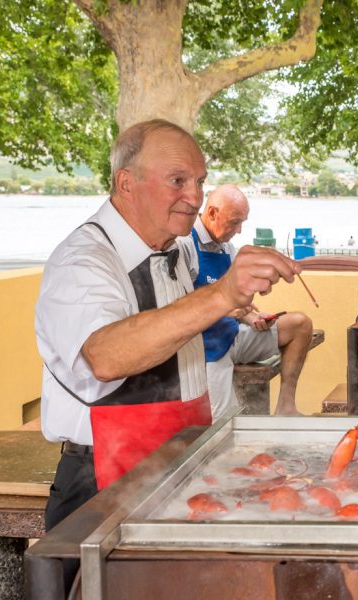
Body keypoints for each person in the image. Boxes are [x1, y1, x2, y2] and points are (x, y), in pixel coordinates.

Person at [35, 119, 301, 531]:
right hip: (105, 482)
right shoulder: (83, 260)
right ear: (126, 183)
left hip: (176, 467)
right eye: (178, 181)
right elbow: (104, 356)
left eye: (199, 181)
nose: (194, 197)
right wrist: (222, 293)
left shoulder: (176, 249)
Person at [178, 184, 313, 418]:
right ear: (212, 213)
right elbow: (177, 308)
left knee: (300, 325)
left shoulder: (227, 248)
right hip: (204, 349)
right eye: (234, 222)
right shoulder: (184, 245)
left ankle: (286, 407)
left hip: (232, 336)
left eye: (242, 222)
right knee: (224, 423)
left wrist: (253, 317)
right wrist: (225, 309)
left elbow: (236, 303)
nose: (239, 230)